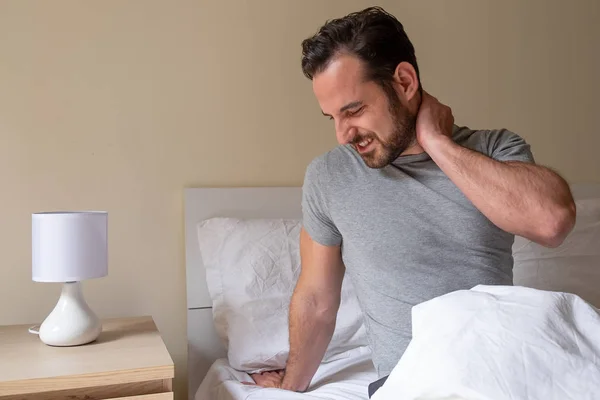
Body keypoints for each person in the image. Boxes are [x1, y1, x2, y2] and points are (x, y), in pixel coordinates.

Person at [247, 6, 576, 397]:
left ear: (404, 82)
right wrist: (290, 385)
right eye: (331, 117)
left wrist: (439, 143)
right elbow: (317, 299)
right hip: (412, 384)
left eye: (353, 111)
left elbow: (552, 222)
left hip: (505, 371)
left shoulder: (494, 150)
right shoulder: (329, 177)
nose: (342, 134)